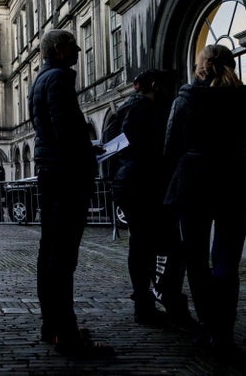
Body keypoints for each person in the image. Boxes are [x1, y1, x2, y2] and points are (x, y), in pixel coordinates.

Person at [28, 29, 113, 357]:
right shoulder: (60, 79)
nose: (78, 49)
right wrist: (88, 154)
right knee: (63, 257)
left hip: (51, 172)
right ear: (60, 51)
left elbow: (50, 128)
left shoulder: (41, 79)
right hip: (66, 175)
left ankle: (53, 326)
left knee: (49, 253)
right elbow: (65, 132)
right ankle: (67, 334)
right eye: (72, 45)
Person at [164, 44, 246, 360]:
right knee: (227, 261)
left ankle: (209, 327)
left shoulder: (185, 99)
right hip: (235, 181)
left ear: (199, 66)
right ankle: (224, 333)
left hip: (193, 183)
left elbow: (170, 147)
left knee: (197, 260)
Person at [109, 69, 194, 326]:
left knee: (140, 246)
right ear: (155, 85)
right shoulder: (148, 110)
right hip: (148, 185)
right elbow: (160, 150)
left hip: (128, 184)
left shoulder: (121, 109)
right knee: (175, 247)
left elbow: (110, 147)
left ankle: (145, 304)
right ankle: (165, 298)